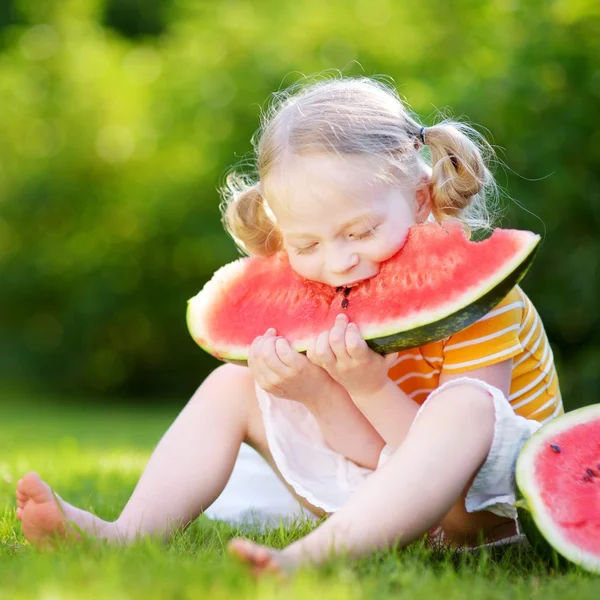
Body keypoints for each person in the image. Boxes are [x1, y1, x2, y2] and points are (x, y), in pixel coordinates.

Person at [15, 76, 563, 576]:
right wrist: (320, 395)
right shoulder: (332, 293)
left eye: (361, 230)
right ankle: (125, 534)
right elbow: (374, 454)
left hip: (487, 516)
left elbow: (466, 475)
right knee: (233, 383)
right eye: (307, 244)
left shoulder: (490, 303)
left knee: (464, 405)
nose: (338, 262)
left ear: (419, 198)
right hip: (381, 492)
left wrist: (368, 385)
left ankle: (310, 557)